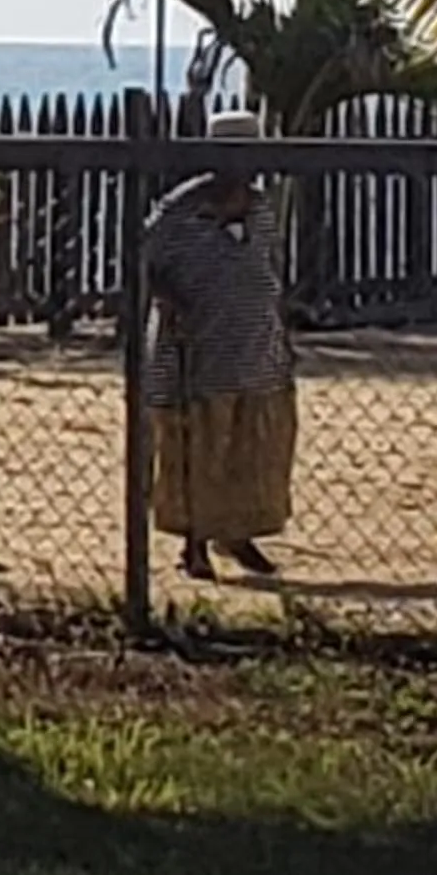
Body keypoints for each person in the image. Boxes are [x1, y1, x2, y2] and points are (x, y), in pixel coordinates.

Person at [142, 112, 296, 581]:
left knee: (252, 445)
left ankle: (238, 532)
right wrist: (169, 300)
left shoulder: (262, 207)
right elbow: (144, 263)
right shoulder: (179, 211)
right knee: (196, 445)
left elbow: (269, 262)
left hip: (255, 346)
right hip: (194, 348)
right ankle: (195, 544)